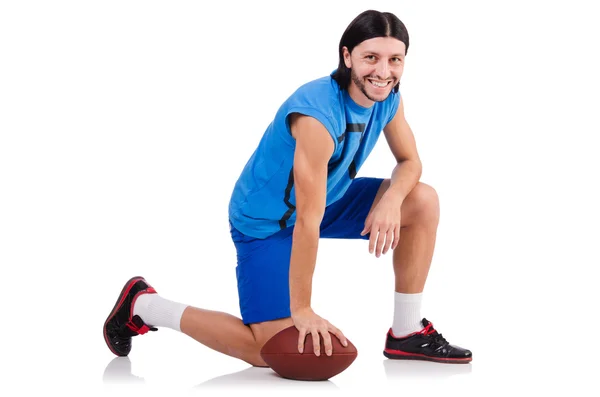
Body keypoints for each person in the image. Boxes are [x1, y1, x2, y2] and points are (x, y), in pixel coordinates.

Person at [103, 9, 472, 366]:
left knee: (422, 200)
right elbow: (307, 223)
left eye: (395, 60)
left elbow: (411, 162)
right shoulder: (317, 116)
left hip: (329, 199)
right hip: (268, 221)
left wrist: (392, 198)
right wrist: (303, 310)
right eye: (371, 57)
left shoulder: (388, 97)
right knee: (267, 352)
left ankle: (406, 332)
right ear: (347, 56)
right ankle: (143, 305)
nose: (383, 71)